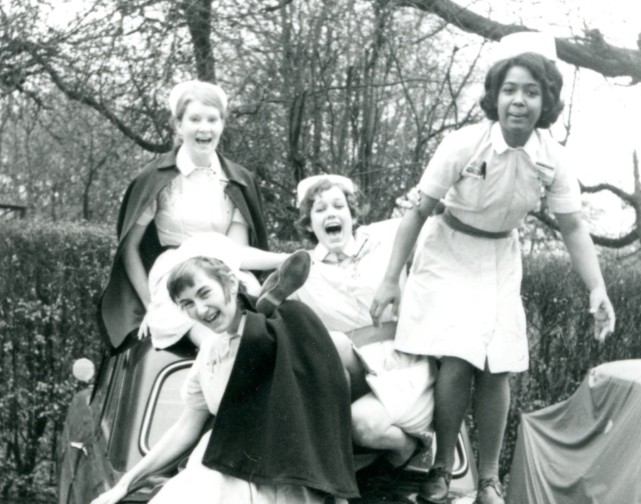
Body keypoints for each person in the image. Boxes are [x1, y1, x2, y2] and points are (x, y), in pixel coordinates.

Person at [370, 32, 616, 504]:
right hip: (448, 252)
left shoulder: (553, 159)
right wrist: (389, 279)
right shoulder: (464, 143)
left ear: (546, 98)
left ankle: (487, 480)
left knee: (498, 364)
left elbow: (573, 228)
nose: (518, 101)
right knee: (460, 356)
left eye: (530, 91)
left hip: (501, 258)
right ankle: (440, 468)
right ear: (494, 95)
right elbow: (418, 212)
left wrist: (597, 288)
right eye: (509, 90)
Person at [91, 256, 358, 504]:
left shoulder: (284, 330)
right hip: (224, 470)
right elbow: (185, 428)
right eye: (187, 304)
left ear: (230, 282)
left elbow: (338, 376)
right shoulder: (209, 353)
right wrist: (125, 484)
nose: (200, 309)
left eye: (204, 293)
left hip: (284, 476)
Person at [261, 174, 435, 470]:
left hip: (404, 364)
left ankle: (410, 449)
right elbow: (228, 259)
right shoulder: (302, 268)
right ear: (308, 223)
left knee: (363, 425)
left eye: (338, 206)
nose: (330, 213)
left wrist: (427, 198)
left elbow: (437, 221)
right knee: (335, 342)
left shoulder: (388, 236)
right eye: (319, 209)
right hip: (348, 372)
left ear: (352, 214)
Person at [98, 80, 290, 350]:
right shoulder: (157, 179)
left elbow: (236, 251)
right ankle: (216, 355)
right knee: (190, 318)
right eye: (195, 119)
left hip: (222, 265)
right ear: (179, 125)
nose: (204, 128)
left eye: (213, 119)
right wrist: (149, 305)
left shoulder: (237, 180)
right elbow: (130, 248)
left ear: (222, 124)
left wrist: (283, 261)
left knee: (256, 313)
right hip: (174, 270)